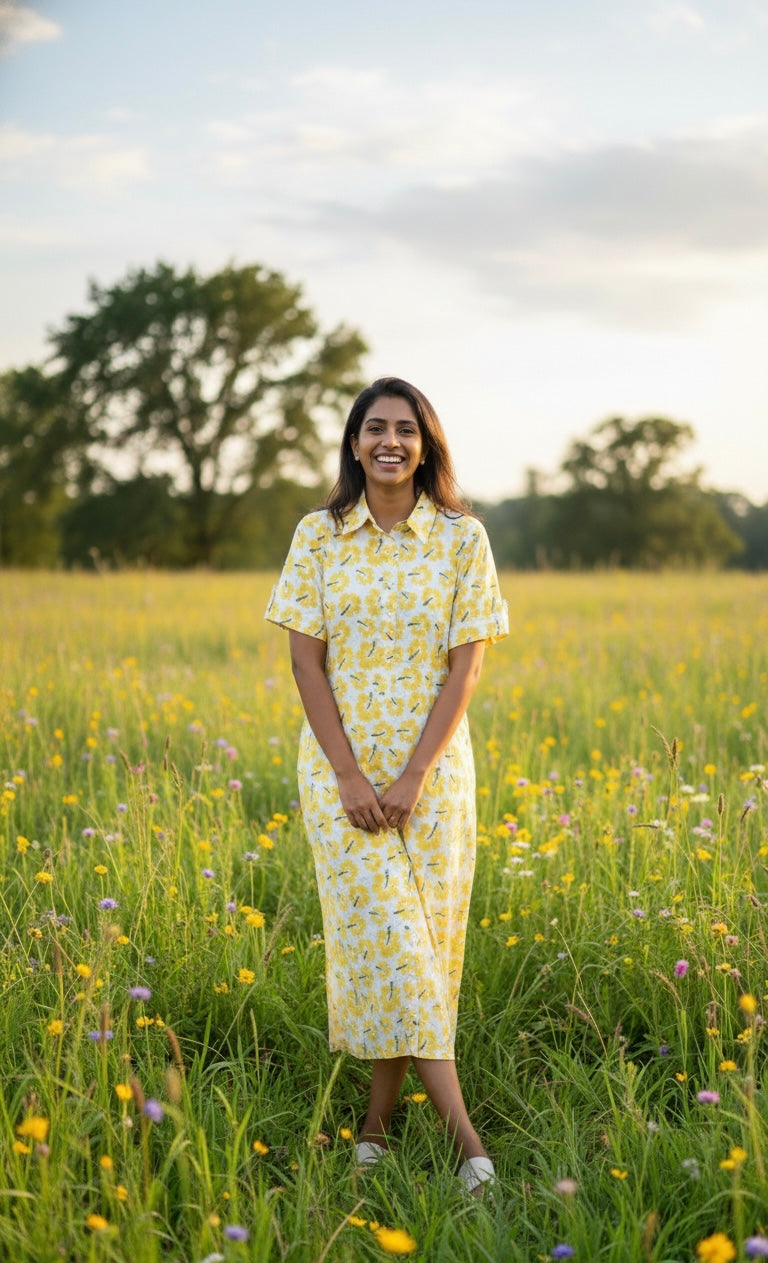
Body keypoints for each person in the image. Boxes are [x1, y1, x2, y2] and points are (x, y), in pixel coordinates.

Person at [265, 376, 508, 1196]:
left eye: (406, 428)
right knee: (391, 945)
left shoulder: (461, 539)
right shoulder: (319, 535)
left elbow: (467, 665)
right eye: (376, 428)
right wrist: (349, 773)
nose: (390, 442)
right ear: (355, 442)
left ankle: (374, 1128)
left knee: (419, 955)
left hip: (433, 777)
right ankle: (471, 1146)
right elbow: (305, 659)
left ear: (426, 443)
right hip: (340, 776)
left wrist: (411, 774)